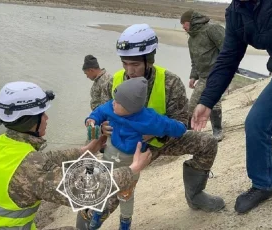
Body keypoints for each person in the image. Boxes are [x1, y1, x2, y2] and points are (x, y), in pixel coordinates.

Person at [76, 23, 225, 230]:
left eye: (135, 64)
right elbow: (98, 112)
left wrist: (157, 135)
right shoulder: (113, 81)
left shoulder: (170, 82)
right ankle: (86, 221)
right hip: (124, 146)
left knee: (207, 143)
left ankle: (196, 196)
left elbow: (181, 122)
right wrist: (100, 131)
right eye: (125, 64)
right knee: (113, 187)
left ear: (149, 59)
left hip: (161, 140)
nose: (130, 70)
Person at [0, 81, 153, 230]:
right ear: (30, 121)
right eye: (42, 115)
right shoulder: (30, 168)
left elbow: (46, 159)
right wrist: (133, 168)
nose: (46, 118)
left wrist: (87, 150)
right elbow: (86, 192)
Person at [191, 0, 272, 214]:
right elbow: (228, 59)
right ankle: (263, 184)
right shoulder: (236, 12)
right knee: (256, 124)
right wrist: (207, 101)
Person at [85, 77, 187, 229]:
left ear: (130, 107)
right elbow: (98, 112)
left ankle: (125, 222)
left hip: (131, 162)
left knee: (126, 195)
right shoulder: (111, 107)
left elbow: (172, 126)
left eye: (118, 102)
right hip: (109, 155)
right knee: (102, 185)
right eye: (114, 99)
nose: (113, 102)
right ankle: (97, 213)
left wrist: (180, 127)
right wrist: (91, 120)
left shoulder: (149, 119)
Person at [180, 10, 225, 141]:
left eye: (184, 23)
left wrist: (225, 71)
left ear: (192, 22)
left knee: (215, 102)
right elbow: (194, 60)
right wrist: (193, 76)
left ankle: (218, 130)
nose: (183, 27)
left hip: (217, 73)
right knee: (192, 104)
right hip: (203, 76)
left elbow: (227, 49)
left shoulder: (212, 29)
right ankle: (187, 133)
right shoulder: (191, 40)